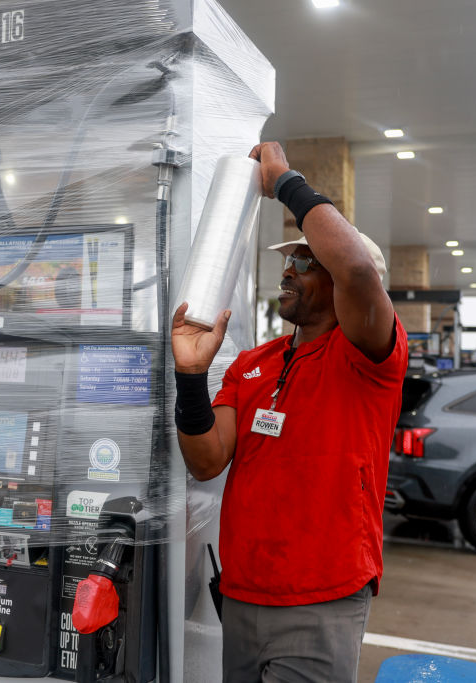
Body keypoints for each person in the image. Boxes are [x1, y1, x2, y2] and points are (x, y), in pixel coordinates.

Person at [171, 142, 407, 682]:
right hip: (242, 596)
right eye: (288, 259)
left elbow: (356, 270)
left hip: (318, 607)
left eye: (305, 260)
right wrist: (189, 376)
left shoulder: (368, 356)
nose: (289, 269)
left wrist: (285, 183)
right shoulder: (253, 364)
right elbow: (207, 461)